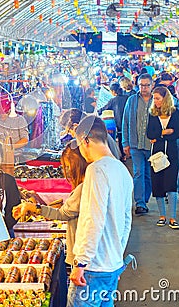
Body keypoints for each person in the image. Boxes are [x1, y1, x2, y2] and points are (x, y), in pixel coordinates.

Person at [69, 115, 133, 307]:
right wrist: (117, 258)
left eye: (80, 145)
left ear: (85, 141)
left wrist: (81, 262)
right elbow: (126, 221)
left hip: (93, 268)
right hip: (112, 266)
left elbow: (92, 218)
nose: (81, 151)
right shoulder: (122, 170)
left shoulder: (96, 170)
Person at [12, 141, 87, 266]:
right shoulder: (86, 185)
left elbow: (62, 214)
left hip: (81, 258)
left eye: (68, 167)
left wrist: (35, 208)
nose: (66, 172)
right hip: (83, 257)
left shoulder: (82, 188)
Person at [147, 86, 179, 229]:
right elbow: (150, 133)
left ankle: (172, 217)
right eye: (154, 98)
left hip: (172, 153)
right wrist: (165, 132)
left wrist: (158, 135)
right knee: (158, 184)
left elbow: (177, 133)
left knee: (171, 185)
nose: (155, 101)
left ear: (165, 99)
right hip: (157, 154)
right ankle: (162, 216)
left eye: (158, 98)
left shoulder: (175, 113)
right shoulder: (152, 113)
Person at [122, 73, 153, 215]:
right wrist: (125, 142)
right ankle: (140, 203)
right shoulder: (132, 101)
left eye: (147, 85)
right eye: (141, 85)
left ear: (151, 85)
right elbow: (126, 122)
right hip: (135, 145)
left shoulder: (157, 100)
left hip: (151, 145)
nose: (144, 88)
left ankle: (145, 199)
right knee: (138, 173)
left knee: (149, 174)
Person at [99, 83, 129, 161]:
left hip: (120, 124)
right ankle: (130, 153)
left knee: (121, 138)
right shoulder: (128, 98)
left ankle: (124, 156)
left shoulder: (113, 100)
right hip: (129, 122)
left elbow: (105, 108)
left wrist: (97, 112)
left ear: (113, 91)